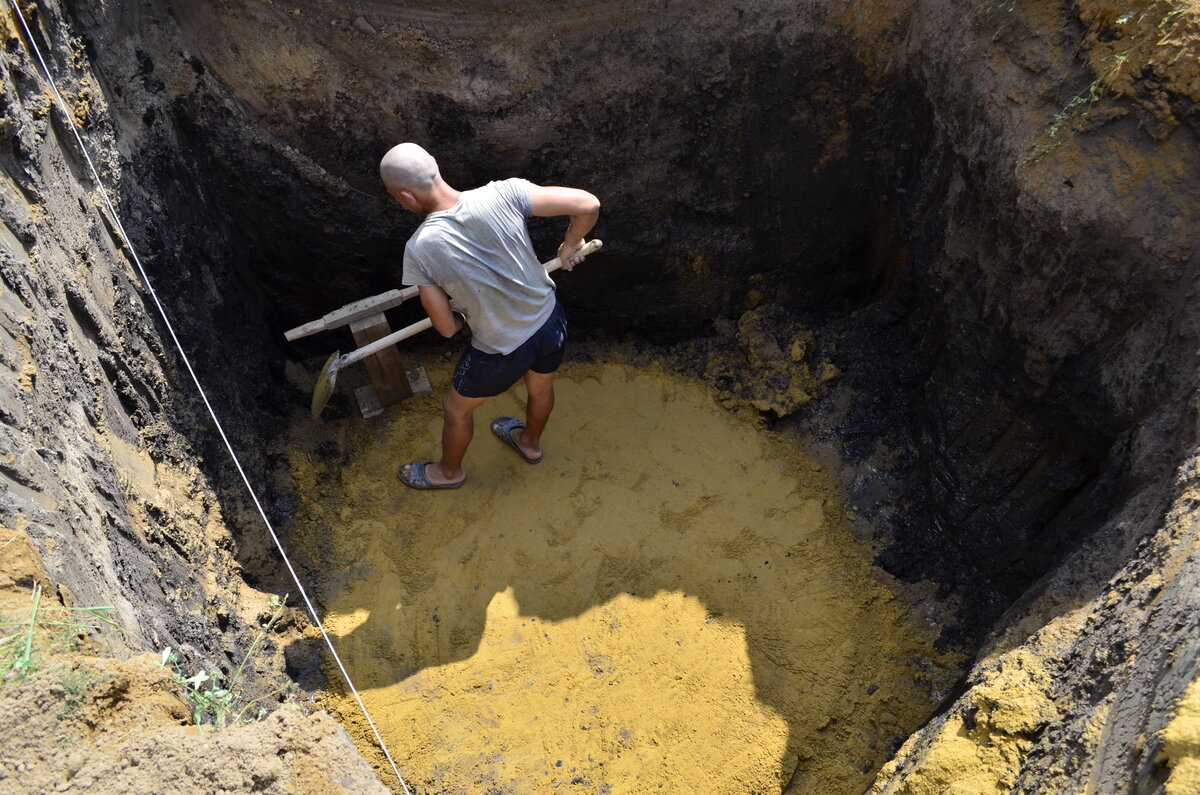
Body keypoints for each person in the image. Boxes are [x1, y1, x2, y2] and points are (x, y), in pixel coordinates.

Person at [379, 143, 600, 489]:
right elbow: (588, 205)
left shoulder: (419, 250)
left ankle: (448, 473)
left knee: (455, 409)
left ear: (405, 196)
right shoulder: (505, 192)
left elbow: (447, 328)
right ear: (435, 165)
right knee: (541, 387)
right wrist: (570, 244)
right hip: (549, 322)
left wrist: (463, 313)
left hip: (501, 350)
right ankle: (529, 443)